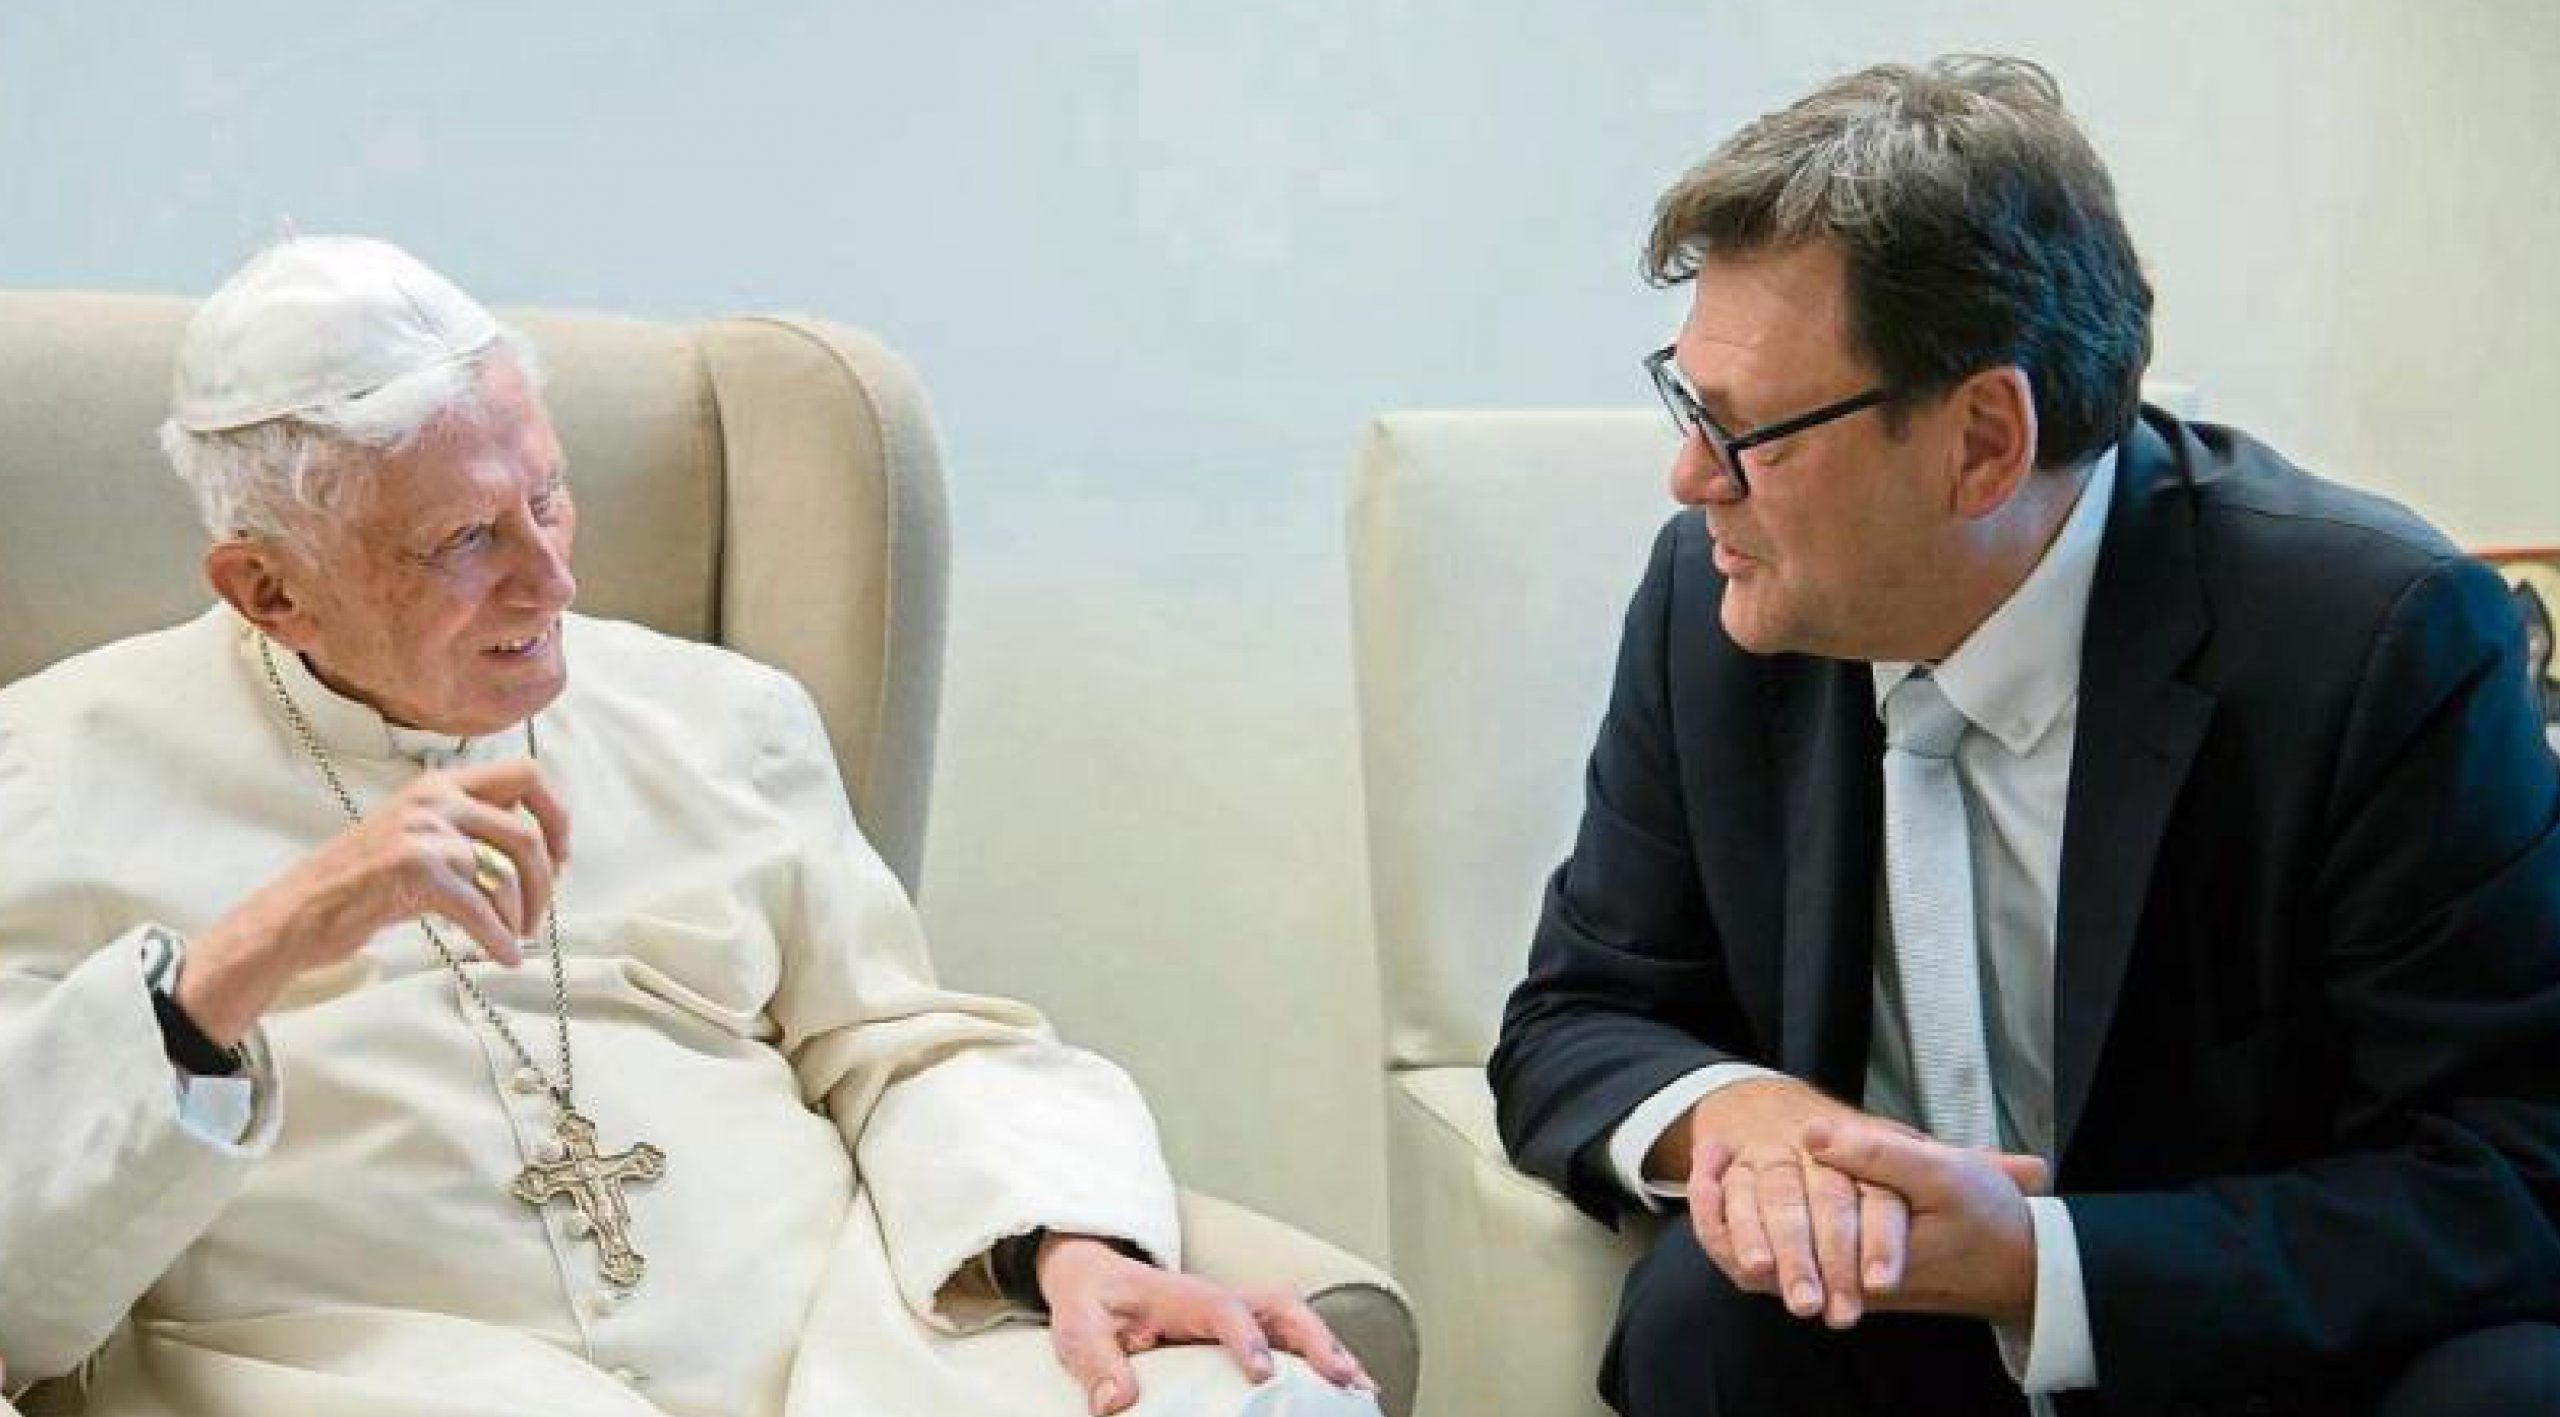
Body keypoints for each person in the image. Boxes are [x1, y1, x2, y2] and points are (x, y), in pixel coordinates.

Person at [0, 235, 1378, 1417]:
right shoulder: (50, 774)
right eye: (467, 540)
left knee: (1274, 1399)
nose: (553, 578)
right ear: (269, 590)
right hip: (391, 1379)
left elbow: (899, 1042)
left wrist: (1063, 1242)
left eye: (548, 496)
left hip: (837, 1361)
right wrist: (265, 943)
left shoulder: (724, 717)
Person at [1488, 55, 2560, 1417]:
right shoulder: (1711, 605)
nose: (1691, 475)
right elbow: (1579, 1012)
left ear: (1985, 441)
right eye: (1686, 402)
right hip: (1893, 1335)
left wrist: (2041, 1266)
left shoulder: (2375, 638)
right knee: (1705, 1311)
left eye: (1745, 432)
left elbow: (2512, 1166)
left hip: (2254, 1339)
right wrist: (1734, 1112)